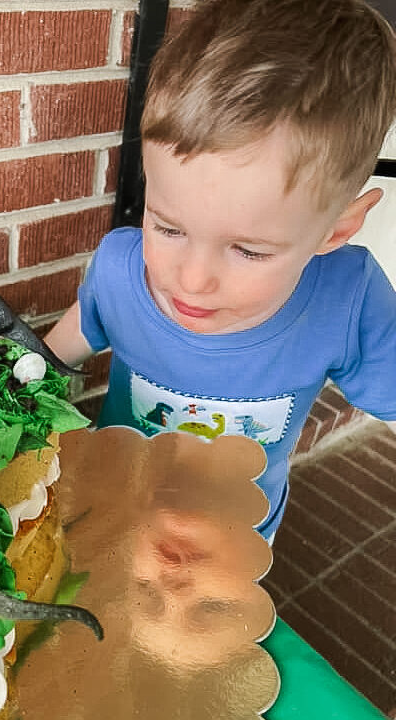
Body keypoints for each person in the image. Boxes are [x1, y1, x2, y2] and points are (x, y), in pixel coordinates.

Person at [45, 0, 396, 543]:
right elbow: (49, 357)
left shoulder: (347, 299)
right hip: (106, 507)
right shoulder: (120, 265)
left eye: (249, 251)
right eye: (168, 228)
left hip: (235, 540)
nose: (192, 280)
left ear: (336, 230)